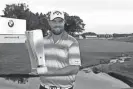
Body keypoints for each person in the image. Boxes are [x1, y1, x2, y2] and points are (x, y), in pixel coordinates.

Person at [33, 10, 81, 89]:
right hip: (44, 87)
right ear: (49, 23)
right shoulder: (42, 41)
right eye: (54, 21)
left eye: (60, 21)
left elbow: (74, 68)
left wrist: (48, 73)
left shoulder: (72, 42)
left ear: (64, 22)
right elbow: (37, 60)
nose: (57, 24)